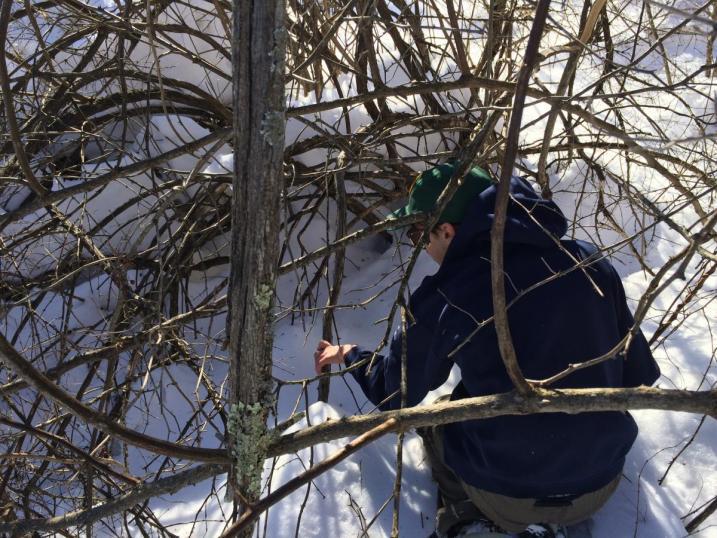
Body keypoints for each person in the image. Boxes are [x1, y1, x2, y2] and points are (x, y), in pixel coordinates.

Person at [314, 161, 660, 538]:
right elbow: (639, 375)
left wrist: (350, 354)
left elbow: (395, 392)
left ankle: (473, 518)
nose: (422, 247)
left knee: (440, 420)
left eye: (419, 235)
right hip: (601, 478)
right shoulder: (590, 262)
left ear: (446, 231)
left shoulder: (449, 294)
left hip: (507, 490)